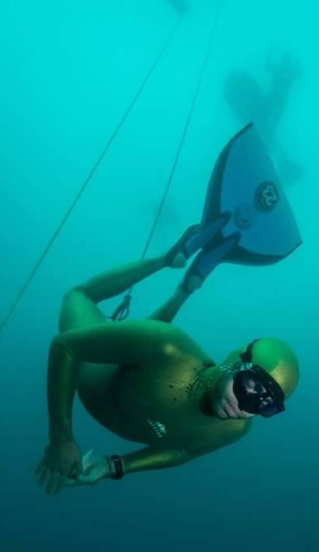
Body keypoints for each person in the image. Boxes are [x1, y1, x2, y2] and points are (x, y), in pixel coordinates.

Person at [36, 125, 302, 494]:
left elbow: (182, 449)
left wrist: (114, 467)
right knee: (78, 297)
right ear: (235, 362)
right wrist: (61, 437)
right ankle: (171, 260)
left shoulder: (237, 428)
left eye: (266, 405)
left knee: (145, 345)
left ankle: (186, 280)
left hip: (139, 368)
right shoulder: (169, 346)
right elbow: (64, 346)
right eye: (251, 387)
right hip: (98, 374)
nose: (246, 407)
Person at [224, 50, 304, 183]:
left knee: (266, 132)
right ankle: (282, 168)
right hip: (256, 111)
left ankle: (282, 168)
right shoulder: (264, 119)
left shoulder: (263, 120)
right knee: (266, 131)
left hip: (254, 112)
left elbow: (274, 100)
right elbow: (274, 100)